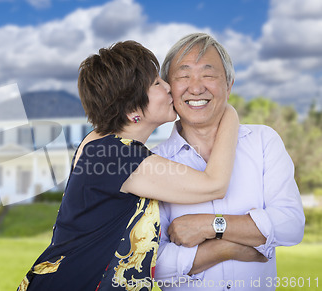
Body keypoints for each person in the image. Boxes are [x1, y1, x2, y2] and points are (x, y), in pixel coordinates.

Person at [17, 40, 239, 291]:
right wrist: (228, 111)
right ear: (133, 106)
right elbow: (214, 184)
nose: (168, 87)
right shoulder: (115, 155)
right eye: (156, 83)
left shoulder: (100, 143)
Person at [151, 33, 305, 290]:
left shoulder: (263, 141)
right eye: (183, 76)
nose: (196, 87)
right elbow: (153, 265)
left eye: (208, 75)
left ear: (229, 85)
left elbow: (290, 225)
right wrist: (226, 248)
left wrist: (210, 226)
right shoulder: (154, 162)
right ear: (168, 89)